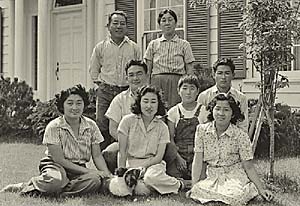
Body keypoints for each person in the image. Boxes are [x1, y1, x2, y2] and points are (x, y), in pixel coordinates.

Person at [1, 85, 112, 196]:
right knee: (56, 181)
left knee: (95, 180)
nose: (75, 107)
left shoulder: (91, 125)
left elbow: (97, 156)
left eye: (79, 103)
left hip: (78, 168)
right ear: (62, 106)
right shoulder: (54, 126)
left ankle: (54, 190)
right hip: (55, 165)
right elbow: (59, 160)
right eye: (70, 103)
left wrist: (106, 175)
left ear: (84, 105)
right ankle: (26, 186)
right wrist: (89, 171)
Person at [188, 93, 273, 205]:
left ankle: (250, 188)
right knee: (197, 190)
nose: (221, 113)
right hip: (212, 175)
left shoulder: (240, 135)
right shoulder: (201, 130)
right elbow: (197, 160)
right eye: (217, 109)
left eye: (226, 110)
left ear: (232, 114)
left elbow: (248, 166)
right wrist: (194, 185)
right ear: (212, 110)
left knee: (235, 196)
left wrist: (261, 189)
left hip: (233, 175)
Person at [89, 10, 141, 150]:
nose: (119, 26)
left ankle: (124, 155)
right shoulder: (100, 47)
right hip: (106, 90)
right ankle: (104, 161)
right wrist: (101, 84)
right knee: (103, 125)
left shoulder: (134, 47)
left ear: (126, 27)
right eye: (115, 23)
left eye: (122, 24)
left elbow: (139, 69)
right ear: (109, 26)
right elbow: (93, 70)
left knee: (125, 123)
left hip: (126, 90)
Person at [118, 85, 184, 195]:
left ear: (158, 104)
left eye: (153, 102)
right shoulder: (127, 121)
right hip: (132, 163)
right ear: (139, 103)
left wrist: (143, 167)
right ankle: (146, 186)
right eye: (145, 101)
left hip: (153, 164)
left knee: (151, 178)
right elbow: (122, 151)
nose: (149, 106)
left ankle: (179, 184)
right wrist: (121, 173)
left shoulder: (162, 127)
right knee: (138, 189)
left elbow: (158, 157)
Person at [103, 60, 148, 173]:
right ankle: (121, 173)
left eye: (139, 74)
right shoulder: (119, 99)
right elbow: (112, 129)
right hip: (126, 143)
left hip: (150, 143)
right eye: (131, 75)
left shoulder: (154, 97)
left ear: (147, 76)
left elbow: (161, 124)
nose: (135, 78)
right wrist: (128, 142)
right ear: (127, 78)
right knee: (109, 153)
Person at [144, 9, 195, 108]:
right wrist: (147, 86)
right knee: (158, 109)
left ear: (175, 23)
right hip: (157, 81)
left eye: (170, 20)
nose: (167, 23)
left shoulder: (184, 44)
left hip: (177, 81)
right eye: (163, 20)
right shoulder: (153, 44)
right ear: (159, 25)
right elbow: (148, 69)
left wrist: (188, 86)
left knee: (175, 110)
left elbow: (189, 69)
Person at [165, 74, 202, 180]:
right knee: (172, 174)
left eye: (192, 88)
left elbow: (207, 140)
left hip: (197, 154)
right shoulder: (173, 112)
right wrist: (178, 158)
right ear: (178, 90)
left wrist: (197, 160)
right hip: (179, 154)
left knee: (200, 175)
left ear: (197, 91)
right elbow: (170, 139)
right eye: (184, 88)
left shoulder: (204, 110)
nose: (188, 92)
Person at [197, 58, 248, 132]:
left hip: (234, 138)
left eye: (227, 73)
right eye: (220, 73)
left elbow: (243, 125)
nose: (223, 77)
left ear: (233, 75)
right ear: (214, 75)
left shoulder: (241, 98)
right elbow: (200, 123)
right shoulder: (204, 96)